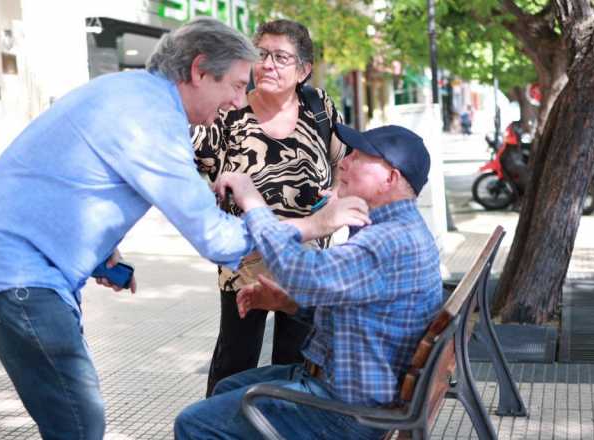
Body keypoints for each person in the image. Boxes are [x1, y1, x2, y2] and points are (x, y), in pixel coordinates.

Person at [0, 18, 263, 440]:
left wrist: (98, 252)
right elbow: (217, 240)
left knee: (70, 417)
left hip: (4, 262)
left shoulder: (129, 93)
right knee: (78, 421)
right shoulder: (151, 120)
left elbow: (73, 180)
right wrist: (298, 224)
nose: (239, 102)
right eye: (238, 86)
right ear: (200, 69)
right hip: (12, 273)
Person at [175, 124, 444, 439]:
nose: (344, 161)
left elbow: (296, 269)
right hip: (355, 389)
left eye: (359, 156)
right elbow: (358, 310)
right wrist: (288, 303)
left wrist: (252, 201)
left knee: (193, 423)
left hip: (345, 410)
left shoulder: (387, 241)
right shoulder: (400, 228)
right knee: (227, 387)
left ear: (391, 178)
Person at [192, 19, 346, 396]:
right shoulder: (229, 110)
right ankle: (218, 429)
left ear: (303, 70)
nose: (268, 65)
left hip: (305, 259)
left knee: (294, 361)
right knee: (235, 357)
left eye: (281, 57)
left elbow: (346, 162)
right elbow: (191, 170)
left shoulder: (319, 107)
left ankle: (277, 429)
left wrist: (337, 194)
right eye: (261, 55)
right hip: (244, 259)